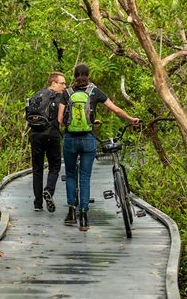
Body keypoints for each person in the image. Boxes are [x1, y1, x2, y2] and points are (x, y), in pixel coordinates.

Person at [57, 64, 140, 231]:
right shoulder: (94, 91)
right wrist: (131, 119)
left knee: (71, 175)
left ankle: (71, 212)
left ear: (74, 75)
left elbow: (60, 120)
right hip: (88, 140)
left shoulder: (67, 93)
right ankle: (84, 216)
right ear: (88, 75)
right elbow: (116, 110)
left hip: (70, 139)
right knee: (85, 177)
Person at [27, 72, 67, 212]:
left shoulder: (37, 95)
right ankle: (48, 190)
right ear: (53, 83)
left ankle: (37, 203)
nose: (64, 86)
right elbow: (63, 118)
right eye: (62, 83)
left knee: (37, 169)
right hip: (52, 134)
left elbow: (27, 114)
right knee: (54, 166)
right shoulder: (60, 98)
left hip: (35, 135)